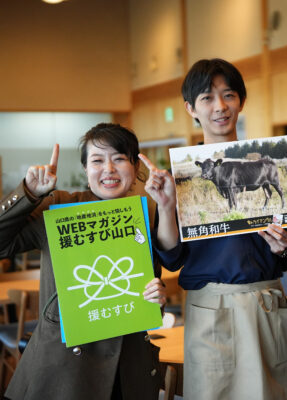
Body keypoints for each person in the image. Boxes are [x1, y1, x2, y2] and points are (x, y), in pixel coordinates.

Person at [140, 58, 287, 400]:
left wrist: (283, 247)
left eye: (228, 95)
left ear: (241, 101)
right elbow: (173, 256)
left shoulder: (261, 159)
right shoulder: (178, 176)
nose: (220, 106)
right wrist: (165, 206)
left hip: (264, 301)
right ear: (190, 108)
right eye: (207, 98)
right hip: (209, 306)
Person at [0, 123, 167, 399]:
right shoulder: (59, 208)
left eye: (119, 158)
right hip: (61, 373)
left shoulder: (148, 212)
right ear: (86, 170)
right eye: (97, 160)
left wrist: (156, 297)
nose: (109, 170)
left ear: (136, 167)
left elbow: (147, 294)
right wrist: (27, 193)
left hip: (127, 370)